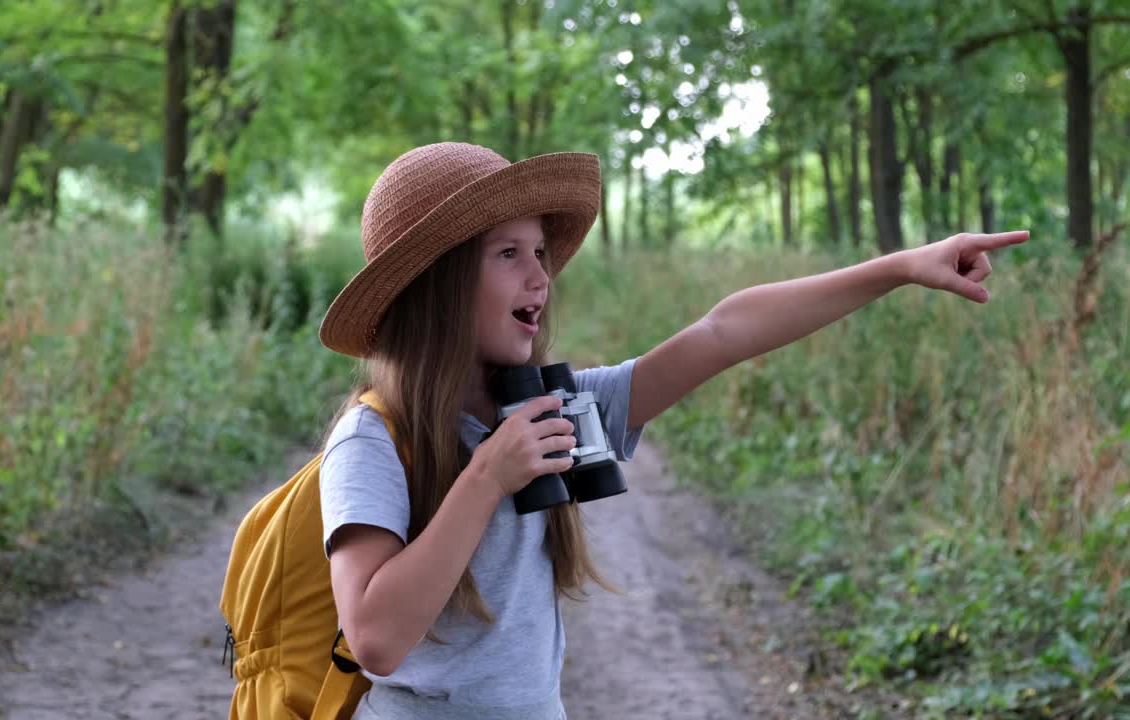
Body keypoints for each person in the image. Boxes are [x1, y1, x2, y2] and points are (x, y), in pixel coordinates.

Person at [317, 141, 1028, 720]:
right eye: (509, 255)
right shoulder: (373, 441)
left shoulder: (550, 412)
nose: (540, 277)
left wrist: (902, 267)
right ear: (437, 287)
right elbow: (375, 639)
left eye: (540, 254)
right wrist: (486, 479)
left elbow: (722, 332)